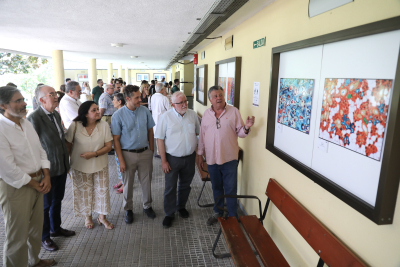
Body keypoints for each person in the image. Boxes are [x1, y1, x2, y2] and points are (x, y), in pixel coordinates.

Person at [0, 86, 56, 267]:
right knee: (17, 234)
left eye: (23, 99)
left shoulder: (26, 123)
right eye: (18, 101)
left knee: (35, 229)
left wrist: (46, 175)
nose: (24, 103)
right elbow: (8, 168)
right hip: (16, 187)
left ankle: (34, 261)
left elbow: (40, 151)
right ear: (3, 105)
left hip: (38, 182)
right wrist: (35, 183)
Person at [197, 85, 255, 226]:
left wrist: (246, 127)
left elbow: (240, 133)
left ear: (224, 97)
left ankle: (232, 215)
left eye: (221, 95)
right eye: (215, 96)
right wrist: (199, 154)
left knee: (230, 188)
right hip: (211, 158)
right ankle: (218, 211)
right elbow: (203, 136)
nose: (218, 98)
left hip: (229, 158)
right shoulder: (206, 114)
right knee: (216, 186)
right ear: (210, 99)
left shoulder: (234, 111)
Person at [27, 85, 75, 252]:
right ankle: (44, 237)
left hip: (60, 165)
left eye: (55, 93)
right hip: (46, 170)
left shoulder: (55, 113)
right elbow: (32, 147)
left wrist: (65, 162)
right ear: (41, 100)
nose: (56, 96)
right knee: (45, 205)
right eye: (52, 94)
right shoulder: (34, 118)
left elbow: (60, 139)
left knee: (57, 199)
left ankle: (56, 228)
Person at [65, 101, 114, 230]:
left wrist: (94, 154)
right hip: (79, 166)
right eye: (94, 110)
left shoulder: (103, 125)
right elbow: (67, 146)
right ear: (85, 114)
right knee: (84, 192)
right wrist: (68, 162)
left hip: (100, 164)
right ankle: (88, 216)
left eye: (98, 109)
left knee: (102, 191)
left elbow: (109, 146)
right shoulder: (75, 125)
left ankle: (102, 217)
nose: (98, 111)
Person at [111, 85, 156, 224]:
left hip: (145, 153)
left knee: (146, 181)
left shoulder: (144, 111)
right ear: (128, 98)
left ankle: (147, 206)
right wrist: (121, 160)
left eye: (139, 96)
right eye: (136, 97)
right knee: (128, 183)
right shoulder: (117, 115)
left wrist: (151, 151)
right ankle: (128, 209)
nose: (140, 99)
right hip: (127, 154)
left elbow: (150, 131)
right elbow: (116, 140)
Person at [155, 92, 200, 228]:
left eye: (185, 101)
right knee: (170, 187)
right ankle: (169, 213)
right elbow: (160, 139)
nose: (184, 104)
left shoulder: (192, 115)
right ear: (173, 104)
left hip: (189, 157)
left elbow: (197, 134)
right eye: (180, 103)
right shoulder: (165, 117)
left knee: (185, 185)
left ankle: (181, 207)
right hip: (172, 158)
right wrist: (164, 161)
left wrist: (198, 155)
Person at [150, 83, 170, 157]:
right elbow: (169, 109)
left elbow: (150, 107)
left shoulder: (152, 96)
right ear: (161, 90)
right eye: (164, 88)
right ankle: (163, 152)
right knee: (163, 135)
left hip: (154, 117)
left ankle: (159, 151)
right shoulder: (164, 98)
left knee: (157, 134)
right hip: (162, 118)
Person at [111, 93, 125, 194]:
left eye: (114, 99)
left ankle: (125, 182)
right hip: (117, 142)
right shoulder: (118, 112)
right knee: (118, 162)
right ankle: (122, 180)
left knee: (123, 162)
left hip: (122, 143)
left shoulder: (123, 113)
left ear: (120, 102)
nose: (112, 101)